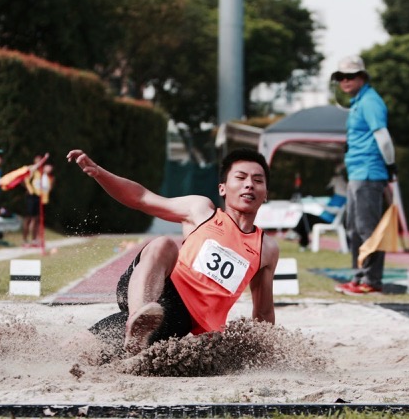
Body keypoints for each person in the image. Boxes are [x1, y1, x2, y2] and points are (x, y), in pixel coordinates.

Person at [67, 148, 279, 355]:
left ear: (266, 194)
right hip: (152, 281)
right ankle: (138, 317)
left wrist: (264, 354)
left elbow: (263, 312)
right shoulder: (202, 210)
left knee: (85, 350)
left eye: (258, 181)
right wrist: (99, 173)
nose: (249, 185)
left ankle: (131, 333)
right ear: (222, 188)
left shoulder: (266, 248)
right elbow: (141, 198)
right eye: (241, 178)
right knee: (164, 244)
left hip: (179, 316)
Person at [331, 56, 396, 295]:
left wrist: (390, 165)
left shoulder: (370, 101)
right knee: (355, 229)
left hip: (369, 172)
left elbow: (383, 136)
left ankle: (372, 280)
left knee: (368, 229)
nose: (345, 81)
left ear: (362, 77)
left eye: (350, 76)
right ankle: (359, 278)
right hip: (357, 172)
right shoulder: (358, 102)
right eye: (341, 77)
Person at [292, 164, 347, 250]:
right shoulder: (336, 196)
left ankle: (297, 234)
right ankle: (300, 238)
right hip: (323, 217)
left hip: (328, 220)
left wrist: (323, 206)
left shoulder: (343, 197)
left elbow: (335, 211)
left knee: (305, 217)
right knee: (305, 218)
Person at [21, 153, 50, 245]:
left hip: (38, 197)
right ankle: (25, 239)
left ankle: (34, 239)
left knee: (36, 219)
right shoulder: (31, 170)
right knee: (28, 218)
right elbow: (23, 180)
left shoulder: (40, 173)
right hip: (31, 196)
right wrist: (28, 189)